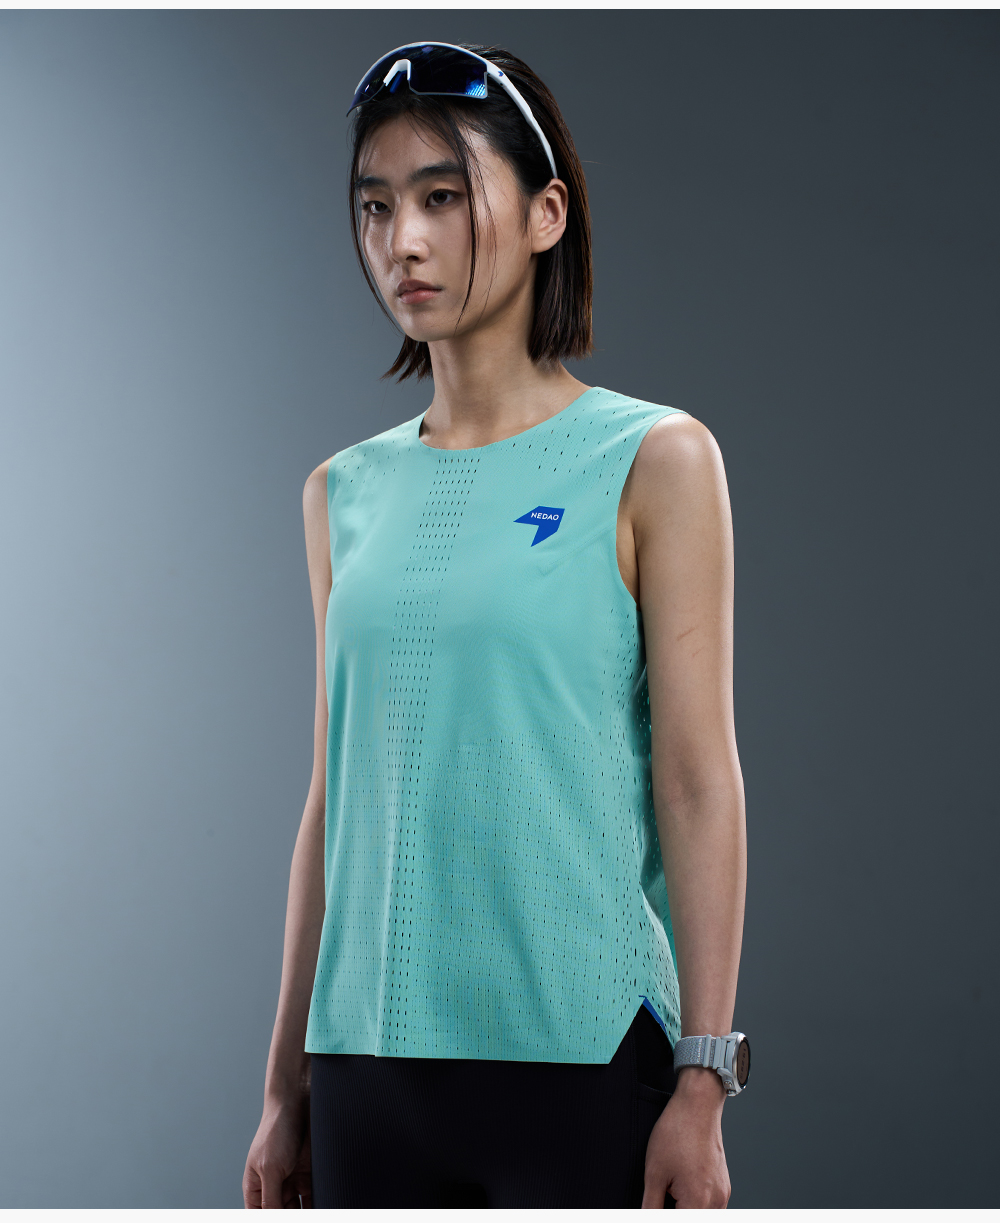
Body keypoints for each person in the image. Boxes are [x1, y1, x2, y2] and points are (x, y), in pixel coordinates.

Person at [242, 41, 747, 1209]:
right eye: (376, 205)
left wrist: (702, 1078)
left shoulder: (655, 457)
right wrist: (282, 1087)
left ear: (545, 214)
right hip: (364, 1069)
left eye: (441, 196)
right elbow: (334, 797)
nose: (402, 242)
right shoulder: (340, 491)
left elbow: (696, 782)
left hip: (579, 1059)